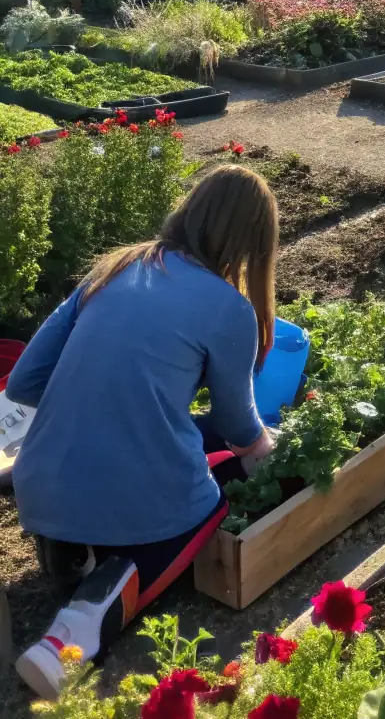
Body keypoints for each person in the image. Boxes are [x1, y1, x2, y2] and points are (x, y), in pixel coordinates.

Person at [8, 166, 280, 698]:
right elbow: (239, 428)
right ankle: (75, 630)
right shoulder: (229, 308)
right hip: (126, 492)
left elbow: (25, 380)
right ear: (250, 244)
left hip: (39, 484)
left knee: (187, 440)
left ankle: (72, 544)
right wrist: (269, 446)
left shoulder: (114, 268)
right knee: (207, 500)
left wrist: (101, 402)